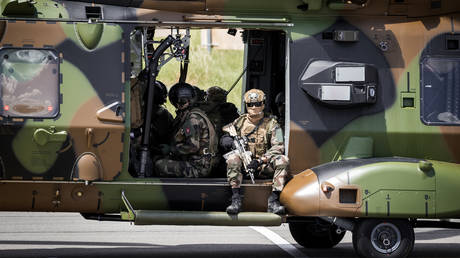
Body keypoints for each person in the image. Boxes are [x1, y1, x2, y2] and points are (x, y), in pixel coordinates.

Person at [221, 89, 289, 215]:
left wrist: (260, 161)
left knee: (283, 160)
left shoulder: (273, 124)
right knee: (232, 159)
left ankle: (274, 200)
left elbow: (279, 147)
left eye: (257, 104)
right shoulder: (239, 122)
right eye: (250, 104)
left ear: (263, 104)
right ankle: (236, 199)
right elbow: (225, 134)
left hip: (262, 165)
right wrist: (227, 140)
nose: (254, 107)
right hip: (244, 165)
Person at [154, 82, 219, 178]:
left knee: (159, 164)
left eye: (180, 102)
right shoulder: (193, 114)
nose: (178, 105)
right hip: (201, 162)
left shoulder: (192, 119)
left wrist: (171, 150)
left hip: (198, 167)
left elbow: (192, 147)